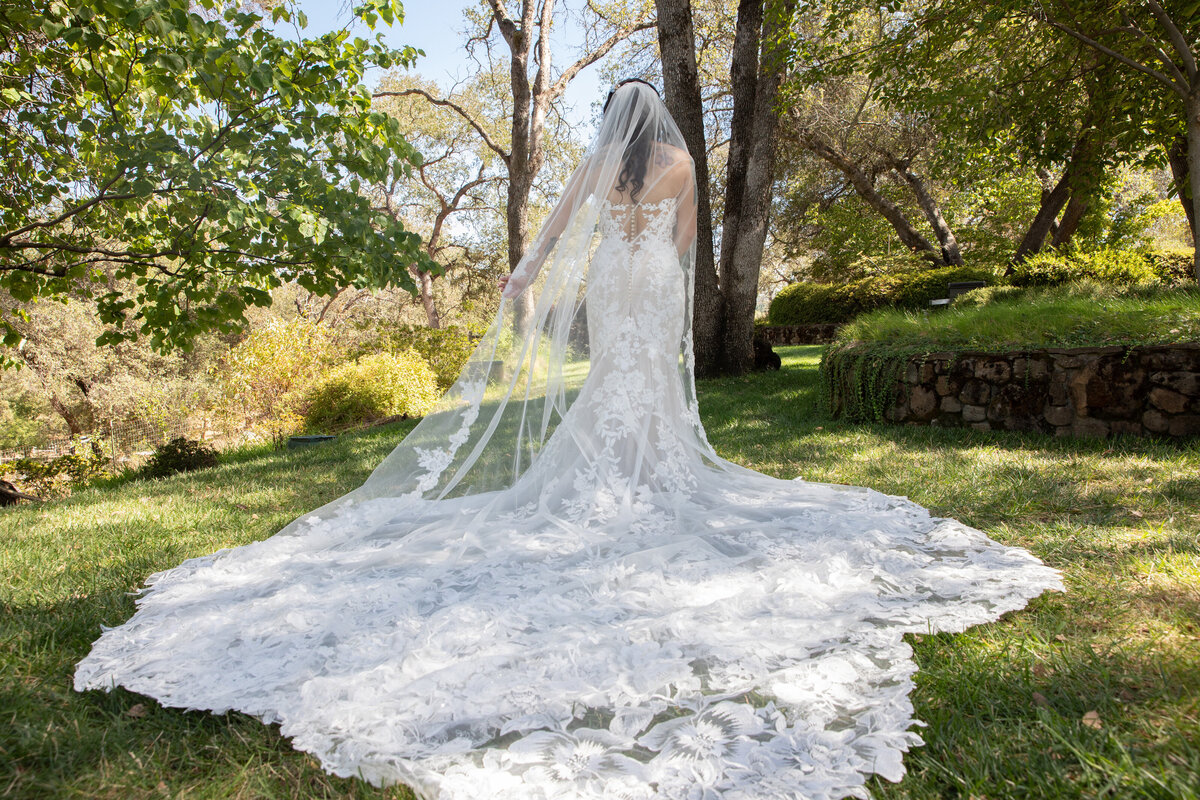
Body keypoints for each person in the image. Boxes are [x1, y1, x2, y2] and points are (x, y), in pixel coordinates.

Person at [74, 80, 1063, 800]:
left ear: (611, 124)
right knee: (640, 391)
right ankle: (643, 475)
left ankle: (619, 476)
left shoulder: (601, 163)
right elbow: (682, 250)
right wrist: (673, 313)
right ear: (660, 122)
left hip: (608, 288)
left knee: (609, 391)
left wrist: (525, 276)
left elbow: (554, 231)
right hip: (650, 293)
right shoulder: (681, 162)